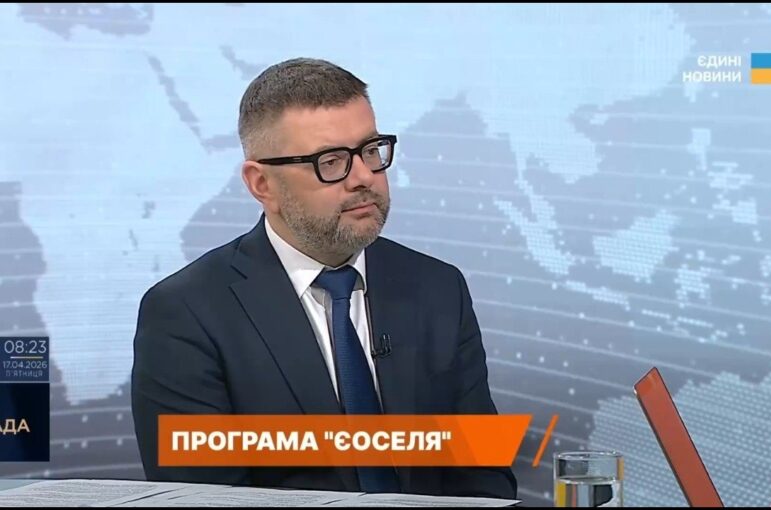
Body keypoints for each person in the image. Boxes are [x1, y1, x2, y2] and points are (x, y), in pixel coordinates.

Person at [131, 57, 516, 498]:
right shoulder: (186, 313)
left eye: (370, 151)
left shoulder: (438, 288)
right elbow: (206, 499)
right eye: (330, 161)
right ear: (262, 184)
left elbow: (482, 477)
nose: (364, 177)